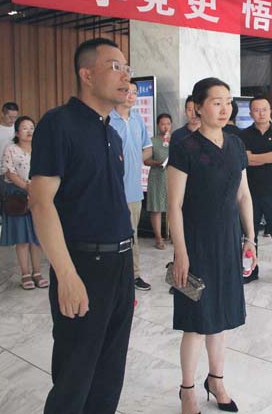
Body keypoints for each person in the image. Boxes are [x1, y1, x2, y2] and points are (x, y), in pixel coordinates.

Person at [29, 37, 135, 414]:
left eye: (126, 68)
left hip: (120, 264)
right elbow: (41, 202)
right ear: (86, 75)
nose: (125, 76)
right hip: (83, 264)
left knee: (109, 372)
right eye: (115, 67)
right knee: (75, 376)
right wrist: (67, 275)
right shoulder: (59, 123)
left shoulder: (112, 132)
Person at [167, 77, 257, 414]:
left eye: (227, 102)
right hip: (196, 244)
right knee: (196, 321)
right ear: (198, 107)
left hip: (228, 241)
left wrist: (250, 237)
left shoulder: (235, 144)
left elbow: (243, 195)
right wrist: (181, 254)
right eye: (216, 102)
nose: (224, 108)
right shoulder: (185, 147)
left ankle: (216, 380)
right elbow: (174, 205)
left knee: (221, 317)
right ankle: (187, 390)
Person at [240, 95, 272, 286]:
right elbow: (246, 160)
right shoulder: (244, 135)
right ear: (250, 113)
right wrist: (271, 157)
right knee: (250, 234)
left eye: (264, 109)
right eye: (256, 110)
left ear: (270, 111)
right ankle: (251, 271)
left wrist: (257, 157)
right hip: (250, 193)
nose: (261, 113)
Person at [110, 79, 153, 292]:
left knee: (132, 234)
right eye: (126, 90)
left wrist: (135, 159)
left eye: (134, 92)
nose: (130, 95)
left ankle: (133, 275)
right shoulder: (108, 119)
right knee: (111, 233)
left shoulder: (138, 120)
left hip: (134, 189)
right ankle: (113, 275)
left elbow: (148, 148)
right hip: (110, 190)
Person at [1, 116, 47, 289]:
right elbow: (10, 173)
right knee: (22, 238)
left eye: (32, 128)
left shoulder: (40, 149)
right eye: (25, 128)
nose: (29, 131)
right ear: (17, 133)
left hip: (38, 196)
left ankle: (37, 272)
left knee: (37, 237)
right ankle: (25, 274)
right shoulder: (11, 149)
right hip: (18, 196)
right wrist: (28, 188)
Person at [145, 113, 172, 250]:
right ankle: (158, 238)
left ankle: (174, 236)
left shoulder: (176, 140)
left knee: (173, 207)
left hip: (172, 178)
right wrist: (157, 163)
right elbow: (146, 160)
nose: (165, 127)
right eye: (162, 124)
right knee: (156, 208)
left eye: (168, 124)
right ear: (157, 125)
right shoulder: (152, 141)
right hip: (157, 177)